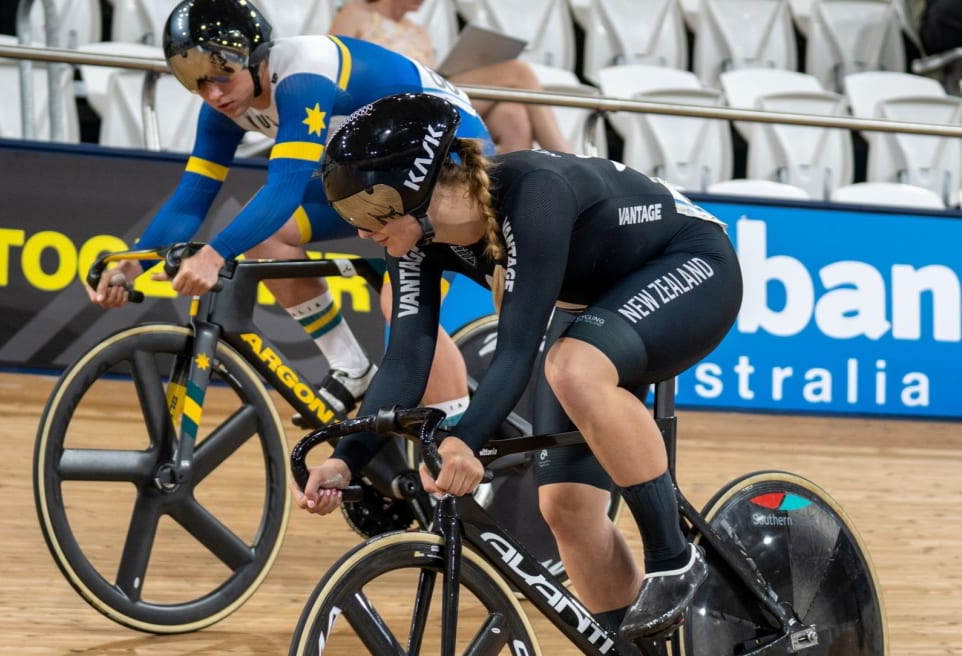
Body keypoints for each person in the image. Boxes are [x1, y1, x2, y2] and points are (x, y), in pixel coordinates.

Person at [295, 92, 744, 639]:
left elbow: (516, 347)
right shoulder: (411, 240)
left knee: (572, 367)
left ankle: (673, 558)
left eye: (366, 211)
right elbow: (408, 356)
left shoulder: (533, 195)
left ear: (414, 187)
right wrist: (348, 459)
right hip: (593, 305)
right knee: (566, 509)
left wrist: (467, 439)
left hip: (691, 263)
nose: (363, 233)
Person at [88, 0, 495, 423]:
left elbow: (283, 189)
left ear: (256, 54)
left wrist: (214, 255)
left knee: (404, 301)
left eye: (221, 75)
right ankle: (350, 368)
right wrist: (131, 263)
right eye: (194, 81)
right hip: (386, 177)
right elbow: (193, 194)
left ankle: (458, 446)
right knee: (268, 235)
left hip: (449, 166)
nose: (211, 93)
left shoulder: (303, 78)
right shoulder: (224, 104)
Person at [328, 0, 573, 154]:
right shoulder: (354, 13)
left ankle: (508, 198)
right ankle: (565, 156)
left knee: (512, 112)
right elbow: (336, 68)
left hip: (431, 94)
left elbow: (432, 73)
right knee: (518, 71)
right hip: (389, 100)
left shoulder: (419, 31)